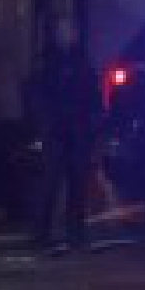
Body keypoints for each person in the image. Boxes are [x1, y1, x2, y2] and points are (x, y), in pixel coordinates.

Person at [23, 14, 100, 255]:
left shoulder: (81, 62)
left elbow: (92, 96)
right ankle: (41, 233)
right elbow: (36, 95)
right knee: (50, 181)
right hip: (55, 130)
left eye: (72, 29)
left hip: (77, 130)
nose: (69, 34)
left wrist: (92, 125)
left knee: (77, 182)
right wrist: (44, 125)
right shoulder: (47, 62)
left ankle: (75, 232)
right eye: (65, 30)